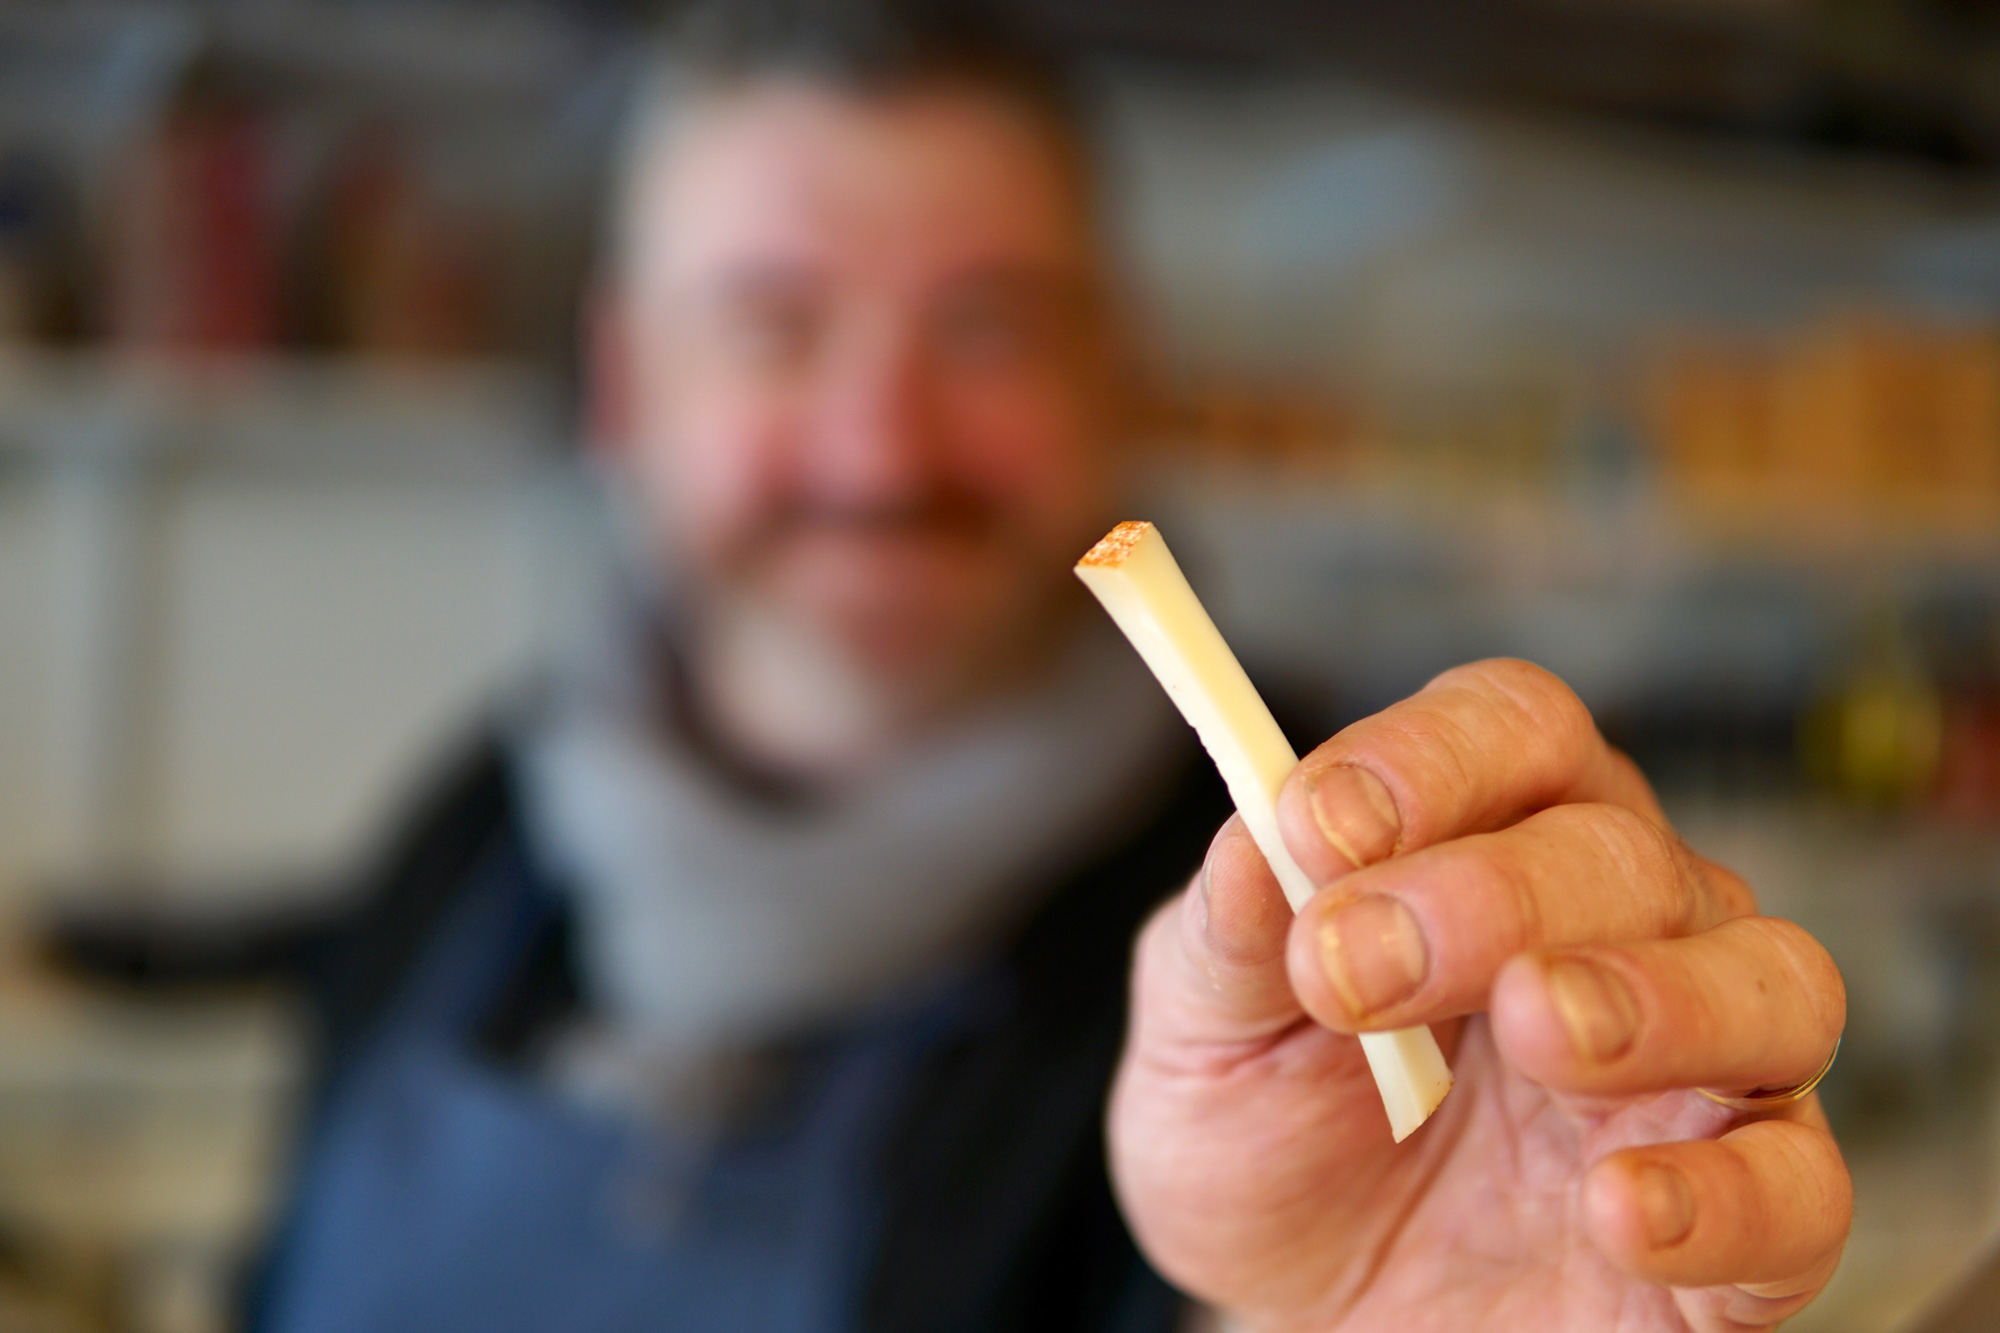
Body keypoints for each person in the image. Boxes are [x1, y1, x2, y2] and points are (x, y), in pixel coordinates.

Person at [230, 1, 1851, 1329]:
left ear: (1115, 372)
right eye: (773, 325)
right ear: (623, 387)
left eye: (989, 328)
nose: (880, 448)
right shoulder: (471, 825)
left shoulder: (1347, 935)